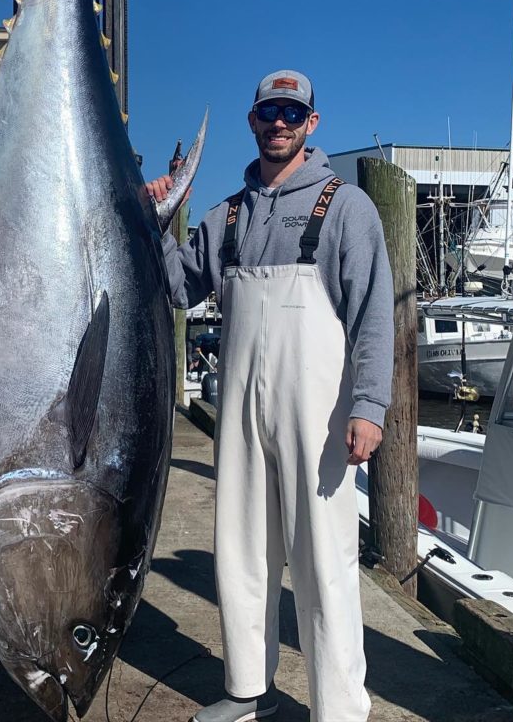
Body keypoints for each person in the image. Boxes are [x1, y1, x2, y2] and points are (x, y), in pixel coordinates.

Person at [148, 70, 392, 722]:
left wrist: (369, 407)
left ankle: (339, 707)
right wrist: (154, 219)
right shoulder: (222, 216)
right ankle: (246, 690)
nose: (278, 122)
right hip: (240, 414)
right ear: (252, 122)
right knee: (241, 550)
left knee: (325, 562)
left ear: (310, 123)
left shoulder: (345, 207)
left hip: (317, 416)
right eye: (268, 112)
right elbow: (177, 288)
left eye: (291, 112)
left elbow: (372, 314)